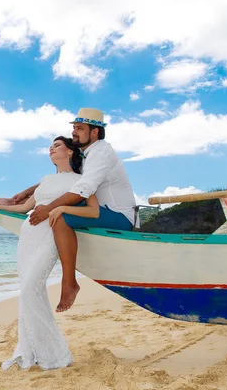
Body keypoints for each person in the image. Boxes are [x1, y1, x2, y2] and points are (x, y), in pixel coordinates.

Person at [0, 136, 99, 371]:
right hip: (28, 236)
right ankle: (32, 351)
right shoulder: (46, 180)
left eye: (57, 145)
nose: (51, 148)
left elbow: (92, 211)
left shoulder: (82, 180)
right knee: (28, 293)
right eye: (51, 146)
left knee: (29, 291)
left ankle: (56, 354)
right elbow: (24, 208)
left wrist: (60, 209)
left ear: (70, 152)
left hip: (50, 236)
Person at [11, 108, 136, 313]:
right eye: (74, 128)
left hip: (119, 216)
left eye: (79, 128)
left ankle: (69, 282)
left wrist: (48, 209)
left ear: (94, 132)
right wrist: (27, 193)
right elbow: (64, 178)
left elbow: (82, 189)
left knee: (60, 217)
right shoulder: (87, 153)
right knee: (57, 210)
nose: (74, 133)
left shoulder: (100, 153)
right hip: (100, 210)